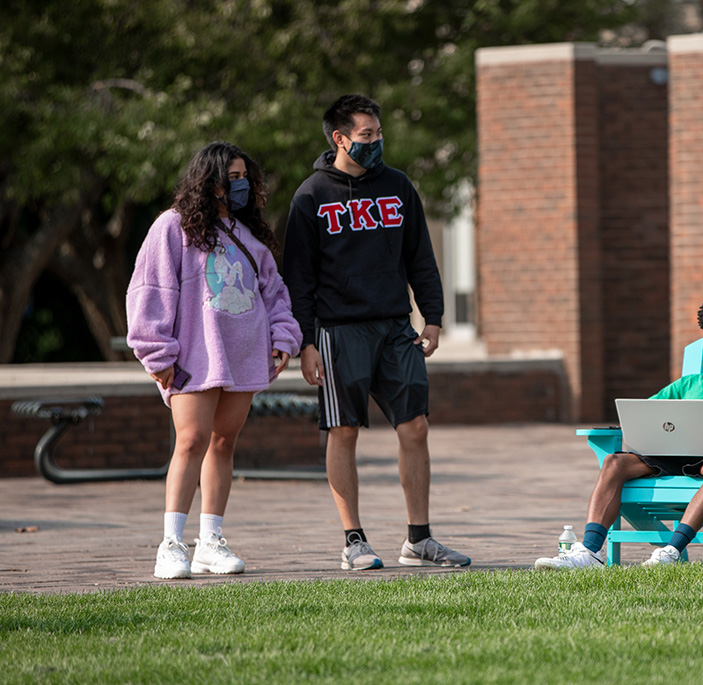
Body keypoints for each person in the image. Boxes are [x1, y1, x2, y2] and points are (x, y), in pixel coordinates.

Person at [281, 94, 469, 570]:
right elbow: (297, 280)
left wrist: (433, 316)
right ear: (340, 138)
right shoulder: (310, 197)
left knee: (416, 427)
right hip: (338, 332)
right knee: (343, 431)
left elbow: (420, 257)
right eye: (366, 136)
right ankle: (353, 540)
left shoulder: (398, 186)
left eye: (379, 134)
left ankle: (419, 539)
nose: (376, 142)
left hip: (393, 327)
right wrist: (305, 341)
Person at [535, 291, 703, 570]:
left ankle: (671, 551)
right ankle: (590, 552)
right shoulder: (690, 384)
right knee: (614, 461)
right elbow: (646, 416)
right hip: (680, 459)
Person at [127, 142, 302, 579]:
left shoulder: (251, 236)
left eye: (245, 177)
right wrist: (157, 354)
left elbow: (275, 295)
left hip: (244, 358)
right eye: (232, 177)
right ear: (209, 180)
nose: (240, 185)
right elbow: (149, 293)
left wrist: (283, 339)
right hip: (193, 360)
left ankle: (210, 542)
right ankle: (171, 544)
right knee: (190, 441)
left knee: (224, 444)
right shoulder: (172, 228)